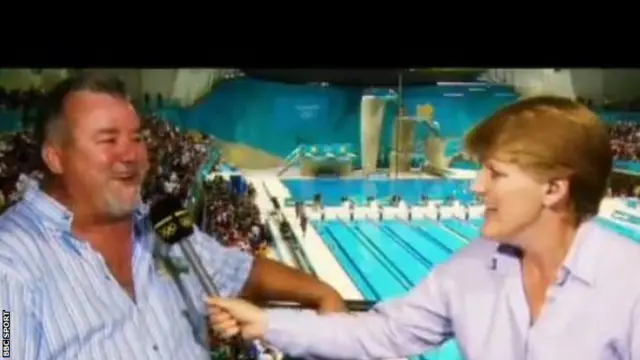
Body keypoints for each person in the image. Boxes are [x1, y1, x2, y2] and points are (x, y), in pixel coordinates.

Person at [208, 96, 640, 359]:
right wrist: (264, 322)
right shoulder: (472, 269)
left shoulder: (629, 285)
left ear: (554, 189)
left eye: (496, 174)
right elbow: (383, 333)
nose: (475, 186)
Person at [0, 74, 346, 360]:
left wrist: (323, 293)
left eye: (137, 137)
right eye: (109, 140)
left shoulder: (163, 230)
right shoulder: (12, 261)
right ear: (56, 158)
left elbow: (242, 272)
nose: (131, 154)